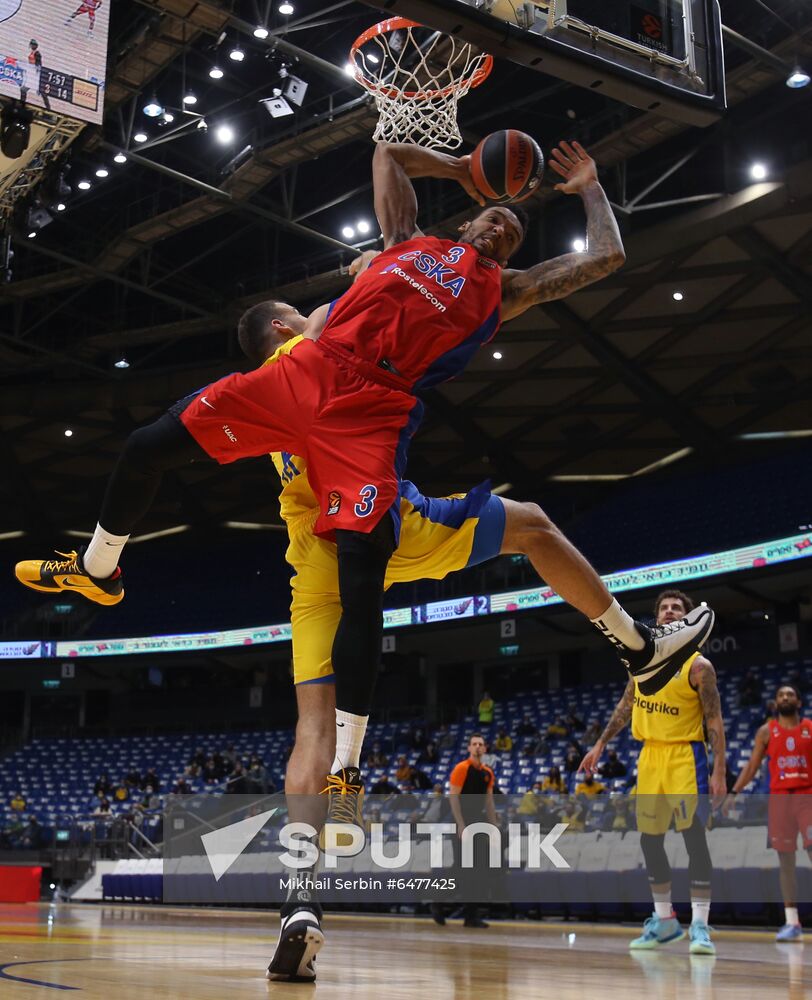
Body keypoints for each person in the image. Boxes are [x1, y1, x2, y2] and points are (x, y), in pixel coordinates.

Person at [16, 140, 713, 830]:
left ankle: (349, 771)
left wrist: (573, 185)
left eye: (516, 227)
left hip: (356, 444)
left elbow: (603, 257)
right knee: (154, 453)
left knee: (380, 589)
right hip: (329, 430)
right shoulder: (378, 269)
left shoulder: (500, 286)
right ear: (464, 221)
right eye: (494, 215)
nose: (504, 224)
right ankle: (307, 883)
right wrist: (461, 174)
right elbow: (386, 160)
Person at [581, 589, 725, 956]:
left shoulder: (699, 667)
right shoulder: (641, 662)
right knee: (650, 840)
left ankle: (700, 926)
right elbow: (626, 705)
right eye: (663, 608)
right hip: (649, 757)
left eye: (677, 607)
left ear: (688, 620)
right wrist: (599, 744)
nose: (669, 611)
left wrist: (720, 771)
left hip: (685, 756)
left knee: (694, 840)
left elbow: (714, 721)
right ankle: (664, 922)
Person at [728, 684, 812, 942]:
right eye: (781, 695)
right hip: (779, 800)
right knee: (785, 862)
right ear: (775, 703)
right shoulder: (766, 731)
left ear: (798, 702)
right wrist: (734, 792)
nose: (785, 697)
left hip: (806, 796)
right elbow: (752, 766)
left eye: (790, 694)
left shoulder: (809, 727)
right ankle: (792, 921)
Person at [432, 733, 498, 929]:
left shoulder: (488, 773)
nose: (477, 747)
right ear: (469, 748)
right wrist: (461, 825)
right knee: (460, 867)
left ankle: (471, 916)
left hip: (479, 821)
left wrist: (493, 827)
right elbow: (453, 798)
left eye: (481, 744)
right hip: (462, 822)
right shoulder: (461, 768)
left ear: (485, 749)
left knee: (478, 869)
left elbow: (489, 801)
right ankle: (438, 901)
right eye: (474, 744)